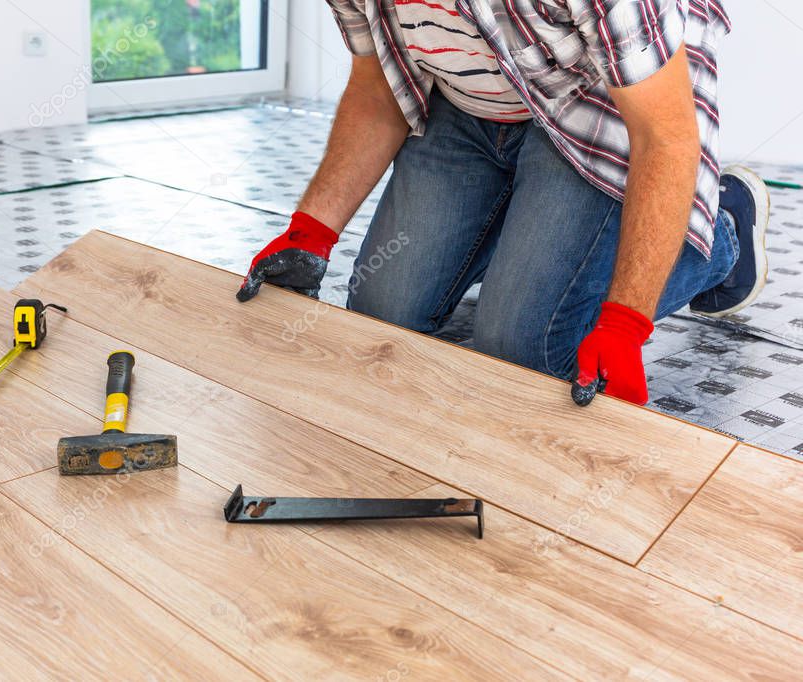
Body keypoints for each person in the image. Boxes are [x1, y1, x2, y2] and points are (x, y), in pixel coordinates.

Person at [236, 0, 769, 406]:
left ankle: (722, 237)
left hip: (598, 100)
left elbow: (665, 137)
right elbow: (378, 90)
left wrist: (626, 323)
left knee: (526, 355)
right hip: (469, 100)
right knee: (381, 318)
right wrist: (310, 233)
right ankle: (523, 230)